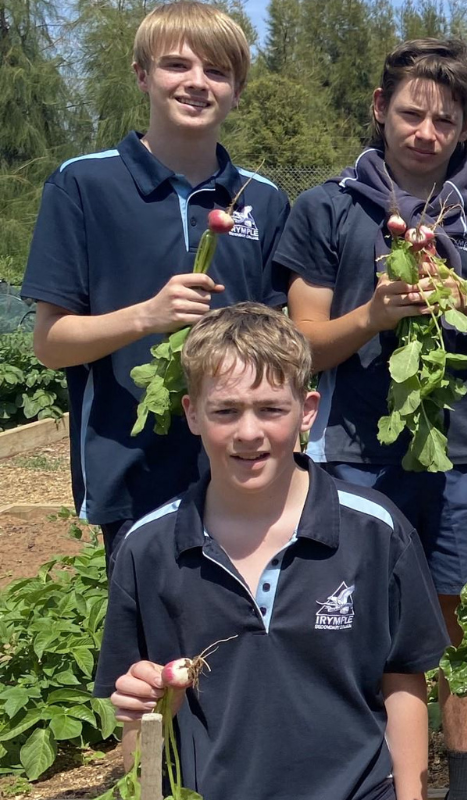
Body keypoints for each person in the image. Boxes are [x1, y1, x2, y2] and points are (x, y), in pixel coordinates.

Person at [275, 39, 467, 800]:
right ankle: (375, 779)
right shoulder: (328, 208)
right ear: (381, 109)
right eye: (411, 113)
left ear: (465, 127)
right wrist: (374, 316)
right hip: (357, 453)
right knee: (362, 622)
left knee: (466, 628)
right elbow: (303, 346)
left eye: (443, 120)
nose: (425, 131)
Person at [97, 303, 447, 800]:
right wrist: (146, 706)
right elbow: (137, 738)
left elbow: (404, 680)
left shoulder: (375, 530)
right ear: (192, 413)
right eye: (225, 410)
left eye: (270, 409)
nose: (248, 432)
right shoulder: (148, 547)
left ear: (307, 411)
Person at [23, 0, 287, 557]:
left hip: (239, 464)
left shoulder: (262, 200)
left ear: (237, 91)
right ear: (142, 76)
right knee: (148, 641)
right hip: (130, 464)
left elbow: (276, 338)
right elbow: (50, 344)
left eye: (217, 71)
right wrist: (147, 316)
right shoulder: (84, 186)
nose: (196, 83)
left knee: (239, 635)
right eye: (177, 66)